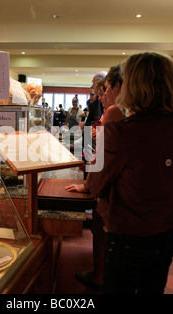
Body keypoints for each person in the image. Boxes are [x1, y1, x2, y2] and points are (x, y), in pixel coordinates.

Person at [85, 51, 173, 294]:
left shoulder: (122, 131)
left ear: (133, 86)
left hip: (127, 235)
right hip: (166, 233)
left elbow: (96, 185)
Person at [66, 65, 126, 291]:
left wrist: (90, 185)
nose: (101, 95)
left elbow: (102, 156)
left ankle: (100, 276)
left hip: (111, 183)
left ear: (116, 86)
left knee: (102, 227)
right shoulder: (126, 111)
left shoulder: (114, 110)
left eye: (104, 90)